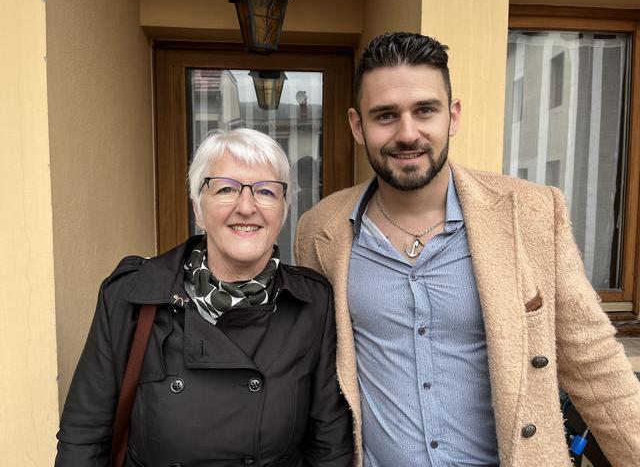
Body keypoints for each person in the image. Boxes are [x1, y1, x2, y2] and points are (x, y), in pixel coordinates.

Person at [294, 32, 640, 467]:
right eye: (385, 115)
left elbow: (592, 362)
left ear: (452, 116)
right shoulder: (320, 230)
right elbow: (314, 374)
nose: (407, 133)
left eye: (425, 110)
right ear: (357, 125)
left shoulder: (529, 212)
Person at [56, 128, 353, 466]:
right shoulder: (132, 293)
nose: (247, 207)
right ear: (198, 208)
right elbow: (84, 434)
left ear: (283, 211)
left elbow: (329, 444)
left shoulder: (313, 303)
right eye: (226, 188)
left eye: (266, 192)